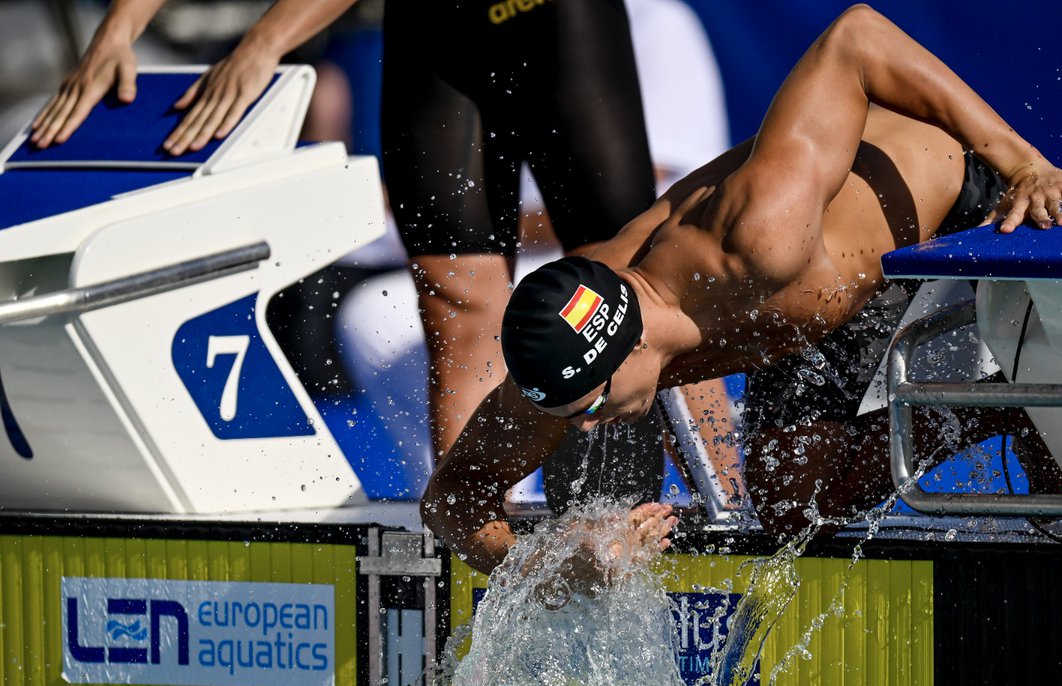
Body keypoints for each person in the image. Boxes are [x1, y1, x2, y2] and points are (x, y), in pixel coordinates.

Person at [421, 4, 1062, 578]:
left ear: (628, 347)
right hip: (816, 298)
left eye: (590, 405)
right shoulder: (565, 360)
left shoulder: (756, 235)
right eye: (572, 411)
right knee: (790, 512)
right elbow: (450, 501)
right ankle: (999, 409)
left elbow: (856, 37)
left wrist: (1024, 163)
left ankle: (1035, 399)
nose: (585, 425)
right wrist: (561, 565)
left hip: (944, 207)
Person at [32, 0, 667, 513]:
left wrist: (263, 43)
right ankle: (478, 547)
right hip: (435, 32)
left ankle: (677, 522)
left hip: (554, 19)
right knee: (456, 300)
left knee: (623, 282)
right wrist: (118, 30)